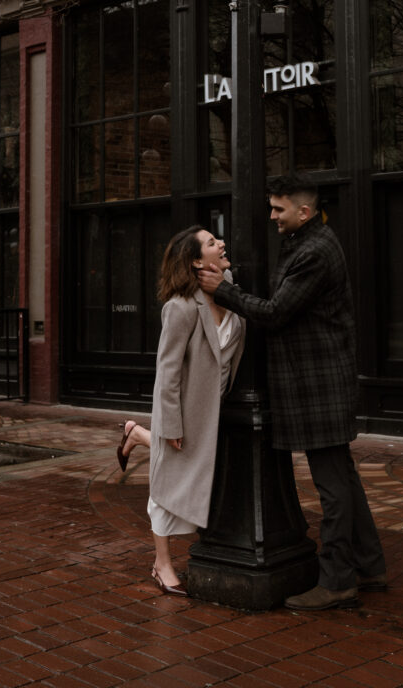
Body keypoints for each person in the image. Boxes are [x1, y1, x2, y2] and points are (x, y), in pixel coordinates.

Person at [198, 174, 386, 611]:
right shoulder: (309, 240)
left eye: (278, 209)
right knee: (343, 478)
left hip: (317, 382)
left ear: (303, 211)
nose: (271, 216)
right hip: (319, 379)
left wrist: (223, 291)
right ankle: (371, 564)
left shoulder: (315, 251)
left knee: (333, 485)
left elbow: (277, 312)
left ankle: (338, 579)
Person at [116, 226, 244, 596]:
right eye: (211, 243)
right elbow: (167, 372)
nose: (221, 243)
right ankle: (162, 563)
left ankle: (135, 434)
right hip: (187, 413)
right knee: (168, 483)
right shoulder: (181, 307)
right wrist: (170, 423)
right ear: (194, 260)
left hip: (217, 412)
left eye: (218, 239)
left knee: (186, 476)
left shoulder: (232, 291)